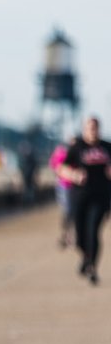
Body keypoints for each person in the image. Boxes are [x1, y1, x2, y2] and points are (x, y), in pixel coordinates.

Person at [61, 117, 111, 285]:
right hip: (80, 198)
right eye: (89, 128)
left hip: (101, 197)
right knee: (80, 236)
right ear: (84, 129)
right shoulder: (77, 147)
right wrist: (74, 175)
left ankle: (92, 268)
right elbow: (61, 168)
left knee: (93, 231)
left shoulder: (107, 147)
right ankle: (86, 257)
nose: (92, 131)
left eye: (95, 127)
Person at [50, 136, 79, 248]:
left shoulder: (79, 153)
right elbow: (55, 167)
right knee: (67, 211)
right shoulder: (61, 153)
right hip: (64, 187)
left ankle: (73, 235)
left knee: (74, 212)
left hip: (76, 187)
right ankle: (66, 235)